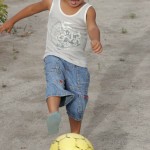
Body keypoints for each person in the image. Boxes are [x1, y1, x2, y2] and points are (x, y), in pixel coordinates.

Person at [0, 0, 103, 135]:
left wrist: (95, 39)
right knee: (54, 81)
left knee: (78, 104)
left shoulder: (88, 10)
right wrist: (12, 20)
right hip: (54, 56)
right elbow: (32, 9)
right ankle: (53, 114)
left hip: (78, 64)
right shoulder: (52, 3)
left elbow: (92, 27)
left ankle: (75, 136)